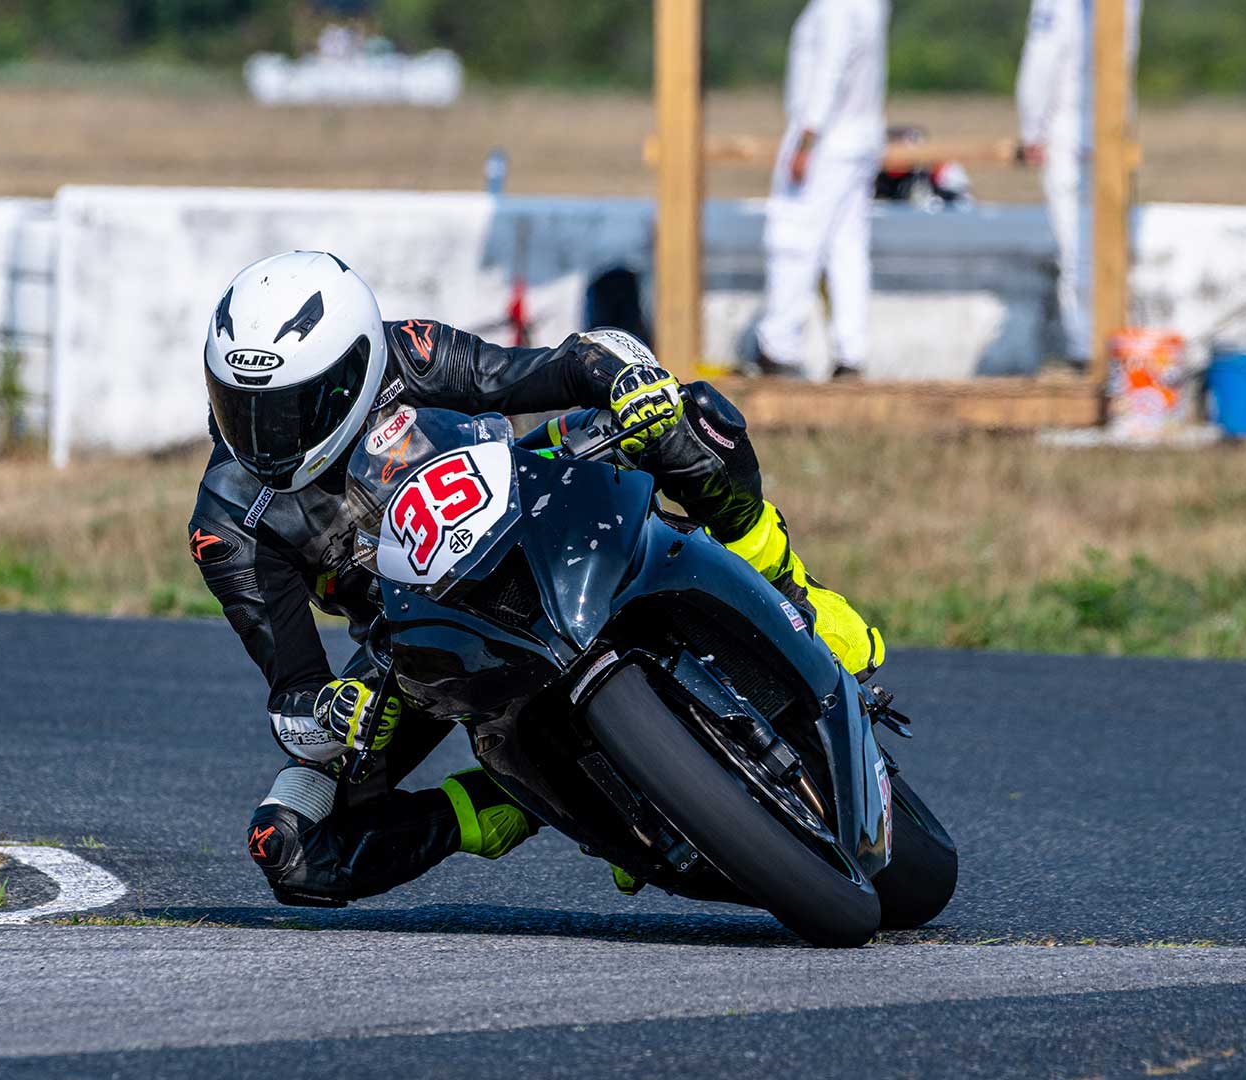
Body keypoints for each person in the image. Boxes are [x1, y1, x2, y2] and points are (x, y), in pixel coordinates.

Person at [190, 250, 887, 907]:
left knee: (686, 418)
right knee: (290, 847)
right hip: (414, 644)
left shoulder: (409, 354)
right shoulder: (227, 525)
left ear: (356, 370)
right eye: (238, 406)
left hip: (526, 501)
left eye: (287, 408)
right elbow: (292, 690)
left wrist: (627, 380)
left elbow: (557, 367)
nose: (261, 437)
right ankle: (523, 799)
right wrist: (331, 714)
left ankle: (791, 590)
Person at [753, 0, 890, 381]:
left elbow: (831, 67)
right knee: (847, 248)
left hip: (826, 142)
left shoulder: (836, 6)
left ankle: (779, 348)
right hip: (858, 136)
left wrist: (806, 139)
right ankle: (851, 353)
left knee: (793, 239)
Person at [1016, 0, 1140, 365]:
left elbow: (1041, 62)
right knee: (1108, 249)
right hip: (1110, 134)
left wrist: (1031, 129)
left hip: (1067, 137)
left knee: (1077, 253)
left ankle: (1087, 352)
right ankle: (1107, 348)